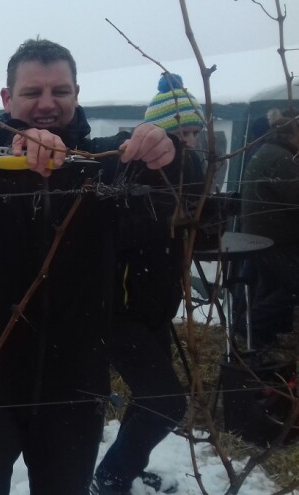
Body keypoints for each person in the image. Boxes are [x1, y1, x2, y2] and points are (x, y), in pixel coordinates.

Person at [0, 39, 181, 494]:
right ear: (7, 98)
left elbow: (179, 182)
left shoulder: (102, 165)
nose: (46, 103)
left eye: (59, 91)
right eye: (32, 92)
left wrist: (167, 149)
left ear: (76, 94)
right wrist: (9, 143)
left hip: (75, 388)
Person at [93, 73, 205, 494]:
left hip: (155, 309)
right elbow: (113, 235)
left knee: (151, 397)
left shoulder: (189, 176)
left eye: (194, 132)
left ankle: (122, 470)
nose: (190, 141)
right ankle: (111, 476)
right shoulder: (130, 172)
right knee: (166, 402)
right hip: (120, 313)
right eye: (181, 133)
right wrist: (169, 220)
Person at [240, 111, 299, 349]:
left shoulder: (269, 150)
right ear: (292, 134)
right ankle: (250, 325)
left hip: (262, 237)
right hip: (274, 240)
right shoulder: (281, 159)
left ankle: (260, 335)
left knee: (271, 287)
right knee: (292, 288)